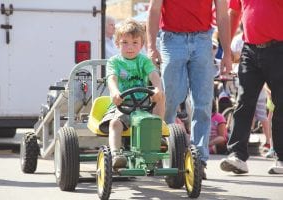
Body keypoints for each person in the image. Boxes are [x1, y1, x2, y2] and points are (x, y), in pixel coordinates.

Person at [146, 0, 232, 179]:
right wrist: (151, 47)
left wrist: (226, 54)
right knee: (169, 101)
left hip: (203, 40)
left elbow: (223, 15)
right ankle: (164, 153)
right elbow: (154, 10)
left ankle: (199, 161)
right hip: (171, 40)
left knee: (202, 103)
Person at [220, 0, 283, 174]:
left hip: (279, 49)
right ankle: (237, 156)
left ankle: (282, 157)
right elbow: (233, 13)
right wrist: (226, 49)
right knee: (243, 101)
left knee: (281, 103)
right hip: (249, 50)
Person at [99, 19, 165, 169]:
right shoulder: (114, 62)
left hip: (143, 105)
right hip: (123, 104)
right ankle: (116, 154)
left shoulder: (144, 61)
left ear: (142, 44)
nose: (130, 47)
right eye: (125, 43)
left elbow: (154, 74)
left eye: (135, 43)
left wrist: (157, 88)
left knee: (161, 95)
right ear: (117, 44)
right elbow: (112, 78)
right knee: (115, 123)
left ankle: (157, 133)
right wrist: (115, 92)